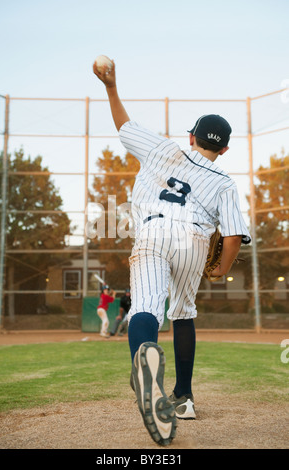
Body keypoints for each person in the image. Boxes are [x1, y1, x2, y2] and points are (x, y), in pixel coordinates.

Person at [93, 60, 251, 446]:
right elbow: (232, 237)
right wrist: (220, 270)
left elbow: (124, 126)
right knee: (183, 312)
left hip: (154, 229)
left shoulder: (164, 148)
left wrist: (111, 86)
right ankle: (184, 397)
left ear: (192, 136)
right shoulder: (226, 182)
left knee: (146, 306)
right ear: (225, 148)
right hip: (195, 240)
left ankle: (144, 365)